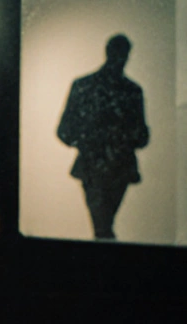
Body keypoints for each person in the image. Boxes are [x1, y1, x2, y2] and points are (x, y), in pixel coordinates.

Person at [57, 34, 150, 240]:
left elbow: (65, 131)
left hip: (99, 165)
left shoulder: (85, 86)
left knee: (102, 225)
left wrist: (88, 141)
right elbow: (142, 137)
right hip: (111, 166)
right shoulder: (131, 91)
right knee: (104, 226)